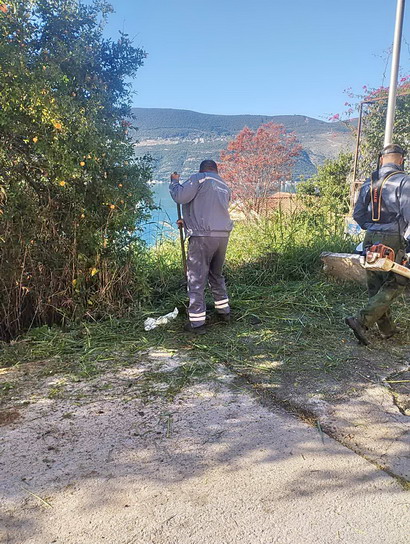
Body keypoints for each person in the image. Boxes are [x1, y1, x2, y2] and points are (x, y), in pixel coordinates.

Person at [345, 143, 410, 345]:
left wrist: (372, 227)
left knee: (375, 284)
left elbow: (358, 214)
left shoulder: (369, 182)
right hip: (392, 239)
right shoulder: (404, 181)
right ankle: (361, 321)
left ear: (382, 159)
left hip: (370, 238)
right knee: (398, 282)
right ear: (401, 159)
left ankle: (387, 330)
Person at [169, 160, 233, 334]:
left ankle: (197, 323)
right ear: (216, 170)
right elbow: (210, 209)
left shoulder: (200, 178)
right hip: (222, 236)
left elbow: (180, 197)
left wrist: (174, 182)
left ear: (202, 169)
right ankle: (224, 311)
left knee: (196, 278)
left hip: (203, 236)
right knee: (216, 274)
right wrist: (187, 221)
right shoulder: (224, 185)